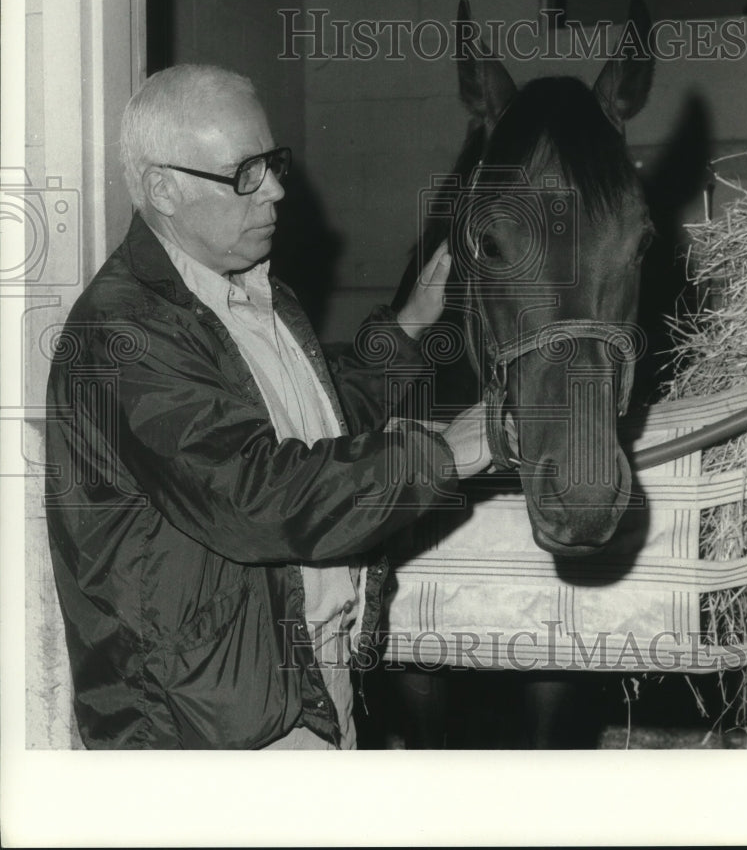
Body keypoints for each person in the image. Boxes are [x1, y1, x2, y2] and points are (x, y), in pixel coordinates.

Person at [44, 64, 492, 750]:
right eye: (245, 172)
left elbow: (311, 424)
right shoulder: (124, 332)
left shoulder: (249, 291)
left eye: (274, 162)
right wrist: (445, 455)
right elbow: (255, 494)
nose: (277, 190)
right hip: (206, 729)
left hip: (303, 682)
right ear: (163, 188)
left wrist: (404, 331)